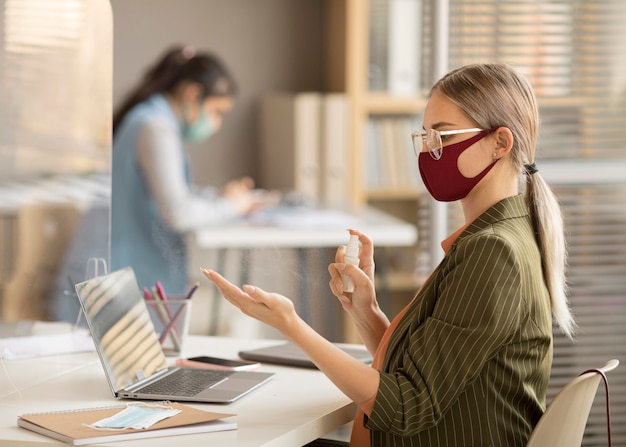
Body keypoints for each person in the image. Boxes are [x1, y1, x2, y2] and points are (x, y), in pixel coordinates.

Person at [201, 63, 576, 446]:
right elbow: (419, 376)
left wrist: (291, 326)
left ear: (500, 142)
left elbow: (404, 405)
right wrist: (365, 312)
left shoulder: (494, 251)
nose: (431, 152)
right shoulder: (500, 236)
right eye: (426, 137)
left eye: (443, 136)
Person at [111, 45, 267, 295]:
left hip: (129, 271)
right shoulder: (155, 128)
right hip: (127, 276)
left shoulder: (151, 119)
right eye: (217, 112)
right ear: (193, 94)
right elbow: (178, 213)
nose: (216, 124)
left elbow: (166, 195)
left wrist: (220, 198)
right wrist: (234, 206)